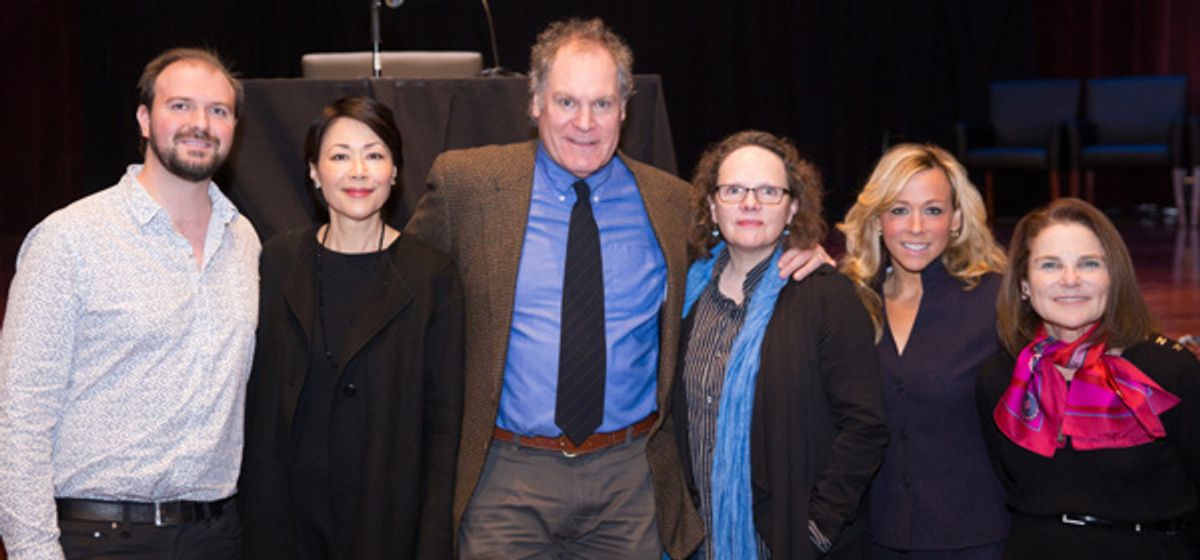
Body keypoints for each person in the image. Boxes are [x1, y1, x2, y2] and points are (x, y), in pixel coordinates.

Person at [405, 18, 826, 559]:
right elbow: (406, 281)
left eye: (602, 104)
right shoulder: (470, 186)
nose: (585, 123)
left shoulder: (671, 204)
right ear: (534, 103)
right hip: (505, 478)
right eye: (566, 102)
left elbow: (740, 256)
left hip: (629, 484)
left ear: (625, 109)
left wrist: (802, 248)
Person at [0, 48, 258, 559]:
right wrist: (32, 550)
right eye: (180, 106)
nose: (200, 124)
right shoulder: (69, 239)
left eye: (218, 110)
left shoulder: (245, 240)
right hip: (99, 539)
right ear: (144, 119)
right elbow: (20, 416)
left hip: (216, 536)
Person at [239, 96, 464, 559]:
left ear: (396, 172)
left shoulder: (431, 276)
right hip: (286, 521)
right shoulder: (277, 261)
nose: (358, 171)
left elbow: (444, 431)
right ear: (315, 172)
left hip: (387, 522)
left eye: (375, 155)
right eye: (340, 155)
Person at [672, 130, 888, 559]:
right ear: (712, 206)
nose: (750, 203)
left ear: (791, 208)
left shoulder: (826, 296)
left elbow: (864, 426)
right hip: (698, 544)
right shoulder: (685, 295)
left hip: (786, 544)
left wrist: (817, 529)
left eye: (769, 191)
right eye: (733, 190)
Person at [976, 197, 1200, 559]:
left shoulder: (1169, 372)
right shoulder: (999, 380)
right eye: (1050, 265)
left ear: (1114, 278)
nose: (1070, 280)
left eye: (1089, 264)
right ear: (1024, 285)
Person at [838, 144, 1010, 559]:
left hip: (973, 538)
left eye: (932, 210)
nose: (916, 227)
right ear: (877, 219)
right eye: (898, 210)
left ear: (956, 220)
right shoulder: (848, 301)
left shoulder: (997, 301)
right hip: (874, 536)